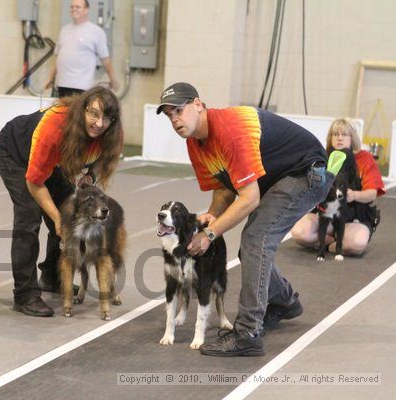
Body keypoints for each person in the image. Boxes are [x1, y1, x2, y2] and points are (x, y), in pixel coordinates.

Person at [157, 82, 333, 357]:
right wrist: (213, 215)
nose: (175, 119)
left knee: (255, 239)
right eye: (169, 115)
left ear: (199, 105)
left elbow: (249, 198)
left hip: (307, 173)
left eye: (179, 110)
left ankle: (248, 333)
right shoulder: (195, 143)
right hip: (276, 176)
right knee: (250, 249)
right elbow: (224, 184)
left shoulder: (229, 129)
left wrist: (210, 233)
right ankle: (284, 301)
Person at [0, 86, 123, 317]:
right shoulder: (55, 129)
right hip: (14, 152)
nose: (100, 123)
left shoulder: (112, 133)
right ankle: (25, 294)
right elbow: (34, 182)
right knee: (29, 216)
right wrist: (56, 219)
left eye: (107, 118)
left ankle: (52, 278)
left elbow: (100, 161)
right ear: (82, 109)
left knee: (70, 213)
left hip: (54, 161)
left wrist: (89, 176)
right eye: (94, 114)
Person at [291, 118, 385, 255]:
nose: (339, 138)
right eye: (335, 134)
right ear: (330, 138)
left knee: (356, 243)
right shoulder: (322, 157)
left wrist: (354, 195)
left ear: (352, 138)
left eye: (344, 135)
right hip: (326, 214)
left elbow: (372, 194)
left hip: (353, 218)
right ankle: (334, 242)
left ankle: (332, 244)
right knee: (299, 233)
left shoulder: (364, 158)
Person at [44, 0, 119, 97]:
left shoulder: (96, 32)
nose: (74, 9)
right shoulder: (64, 30)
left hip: (82, 87)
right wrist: (50, 78)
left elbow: (105, 60)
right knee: (61, 112)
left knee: (77, 112)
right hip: (62, 84)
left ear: (86, 10)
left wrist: (113, 80)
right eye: (72, 7)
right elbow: (58, 58)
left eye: (77, 7)